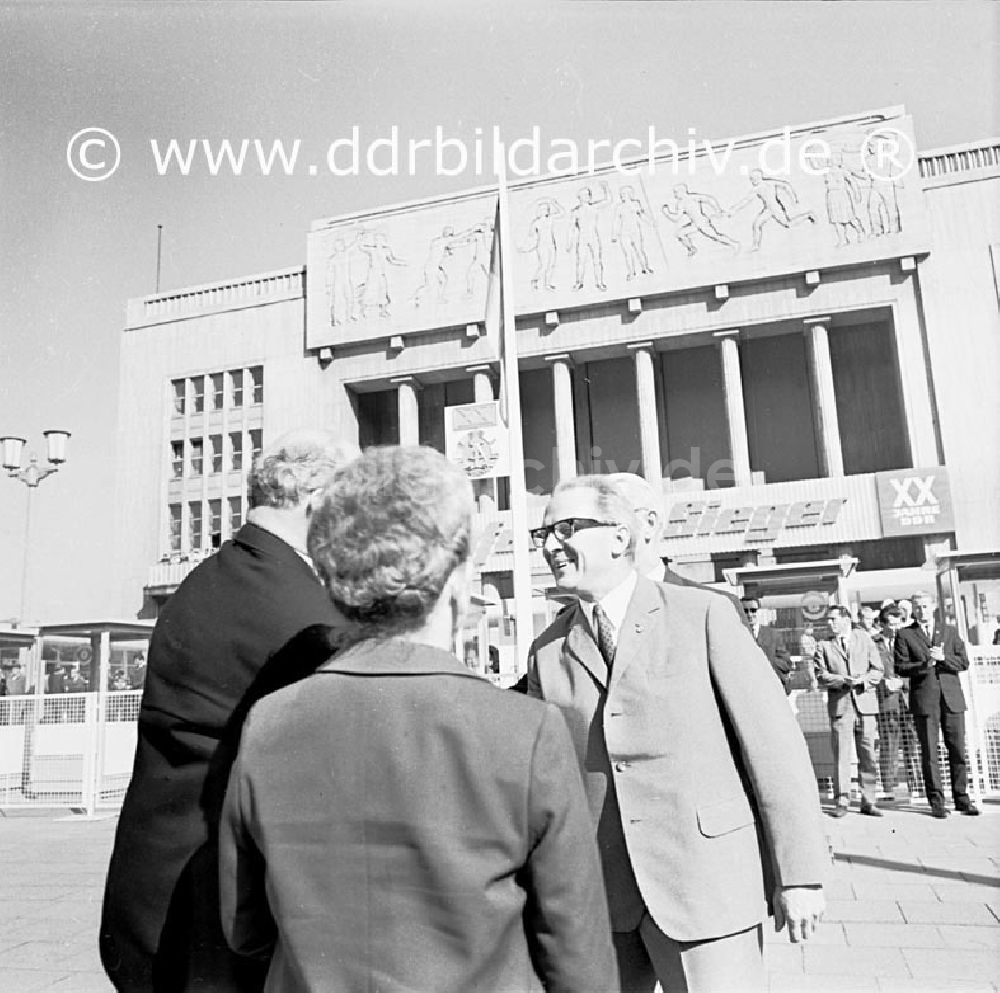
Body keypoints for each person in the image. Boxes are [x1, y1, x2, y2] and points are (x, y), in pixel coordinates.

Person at [219, 446, 618, 993]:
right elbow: (578, 955)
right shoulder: (525, 731)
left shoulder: (269, 722)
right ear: (455, 579)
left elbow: (245, 928)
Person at [526, 474, 827, 993]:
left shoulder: (702, 615)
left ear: (620, 537)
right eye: (545, 533)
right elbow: (538, 779)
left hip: (705, 887)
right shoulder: (548, 649)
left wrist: (799, 874)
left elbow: (775, 749)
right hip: (602, 899)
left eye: (568, 528)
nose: (552, 545)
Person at [100, 429, 359, 993]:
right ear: (319, 504)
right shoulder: (302, 609)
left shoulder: (210, 577)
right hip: (219, 918)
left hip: (153, 897)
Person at [605, 472, 749, 626]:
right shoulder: (584, 612)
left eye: (611, 520)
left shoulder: (715, 608)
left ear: (649, 524)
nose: (599, 534)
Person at [894, 591, 979, 818]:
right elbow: (900, 667)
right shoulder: (905, 634)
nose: (921, 610)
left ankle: (962, 799)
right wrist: (926, 664)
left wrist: (943, 659)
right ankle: (937, 802)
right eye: (917, 607)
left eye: (924, 606)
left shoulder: (949, 631)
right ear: (912, 609)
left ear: (932, 606)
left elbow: (963, 662)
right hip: (925, 700)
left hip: (951, 699)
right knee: (930, 752)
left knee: (957, 750)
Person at [813, 604, 883, 817]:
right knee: (842, 756)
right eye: (829, 619)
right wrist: (844, 681)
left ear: (846, 619)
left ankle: (869, 800)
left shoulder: (864, 639)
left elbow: (878, 670)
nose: (830, 623)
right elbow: (820, 675)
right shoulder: (823, 645)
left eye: (834, 619)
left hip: (865, 706)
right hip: (841, 707)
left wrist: (863, 680)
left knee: (868, 754)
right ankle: (842, 801)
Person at [873, 604, 920, 799]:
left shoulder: (909, 638)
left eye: (898, 624)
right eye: (890, 625)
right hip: (886, 698)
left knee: (913, 742)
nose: (894, 629)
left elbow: (918, 665)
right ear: (882, 624)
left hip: (909, 696)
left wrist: (903, 681)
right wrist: (884, 683)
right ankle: (889, 787)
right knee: (889, 742)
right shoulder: (873, 643)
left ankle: (916, 784)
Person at [741, 597, 794, 692]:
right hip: (747, 690)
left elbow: (786, 663)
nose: (749, 614)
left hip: (770, 689)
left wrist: (768, 663)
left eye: (753, 610)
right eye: (745, 611)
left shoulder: (773, 635)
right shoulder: (737, 636)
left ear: (759, 612)